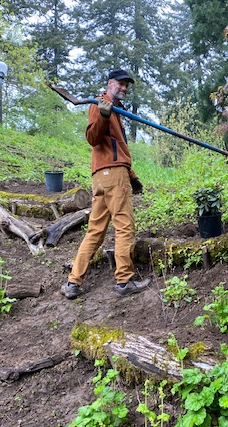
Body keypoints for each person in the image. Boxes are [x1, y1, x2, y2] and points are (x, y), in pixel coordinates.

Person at [61, 69, 152, 299]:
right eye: (120, 84)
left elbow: (115, 148)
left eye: (126, 87)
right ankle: (125, 280)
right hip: (112, 176)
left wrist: (132, 177)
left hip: (101, 177)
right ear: (110, 83)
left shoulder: (114, 110)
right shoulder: (101, 105)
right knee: (124, 226)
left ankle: (73, 282)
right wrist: (102, 115)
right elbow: (93, 138)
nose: (123, 89)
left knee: (95, 231)